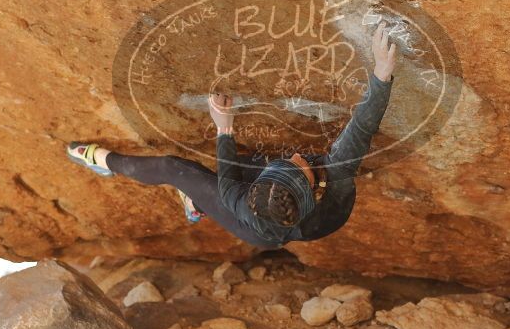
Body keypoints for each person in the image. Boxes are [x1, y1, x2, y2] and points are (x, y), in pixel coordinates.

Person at [67, 21, 397, 249]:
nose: (296, 155)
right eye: (295, 164)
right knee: (243, 163)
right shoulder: (335, 176)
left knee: (175, 168)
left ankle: (103, 162)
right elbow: (361, 128)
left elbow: (228, 174)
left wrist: (223, 126)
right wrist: (382, 72)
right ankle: (197, 203)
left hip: (257, 226)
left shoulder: (238, 201)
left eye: (294, 163)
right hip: (280, 222)